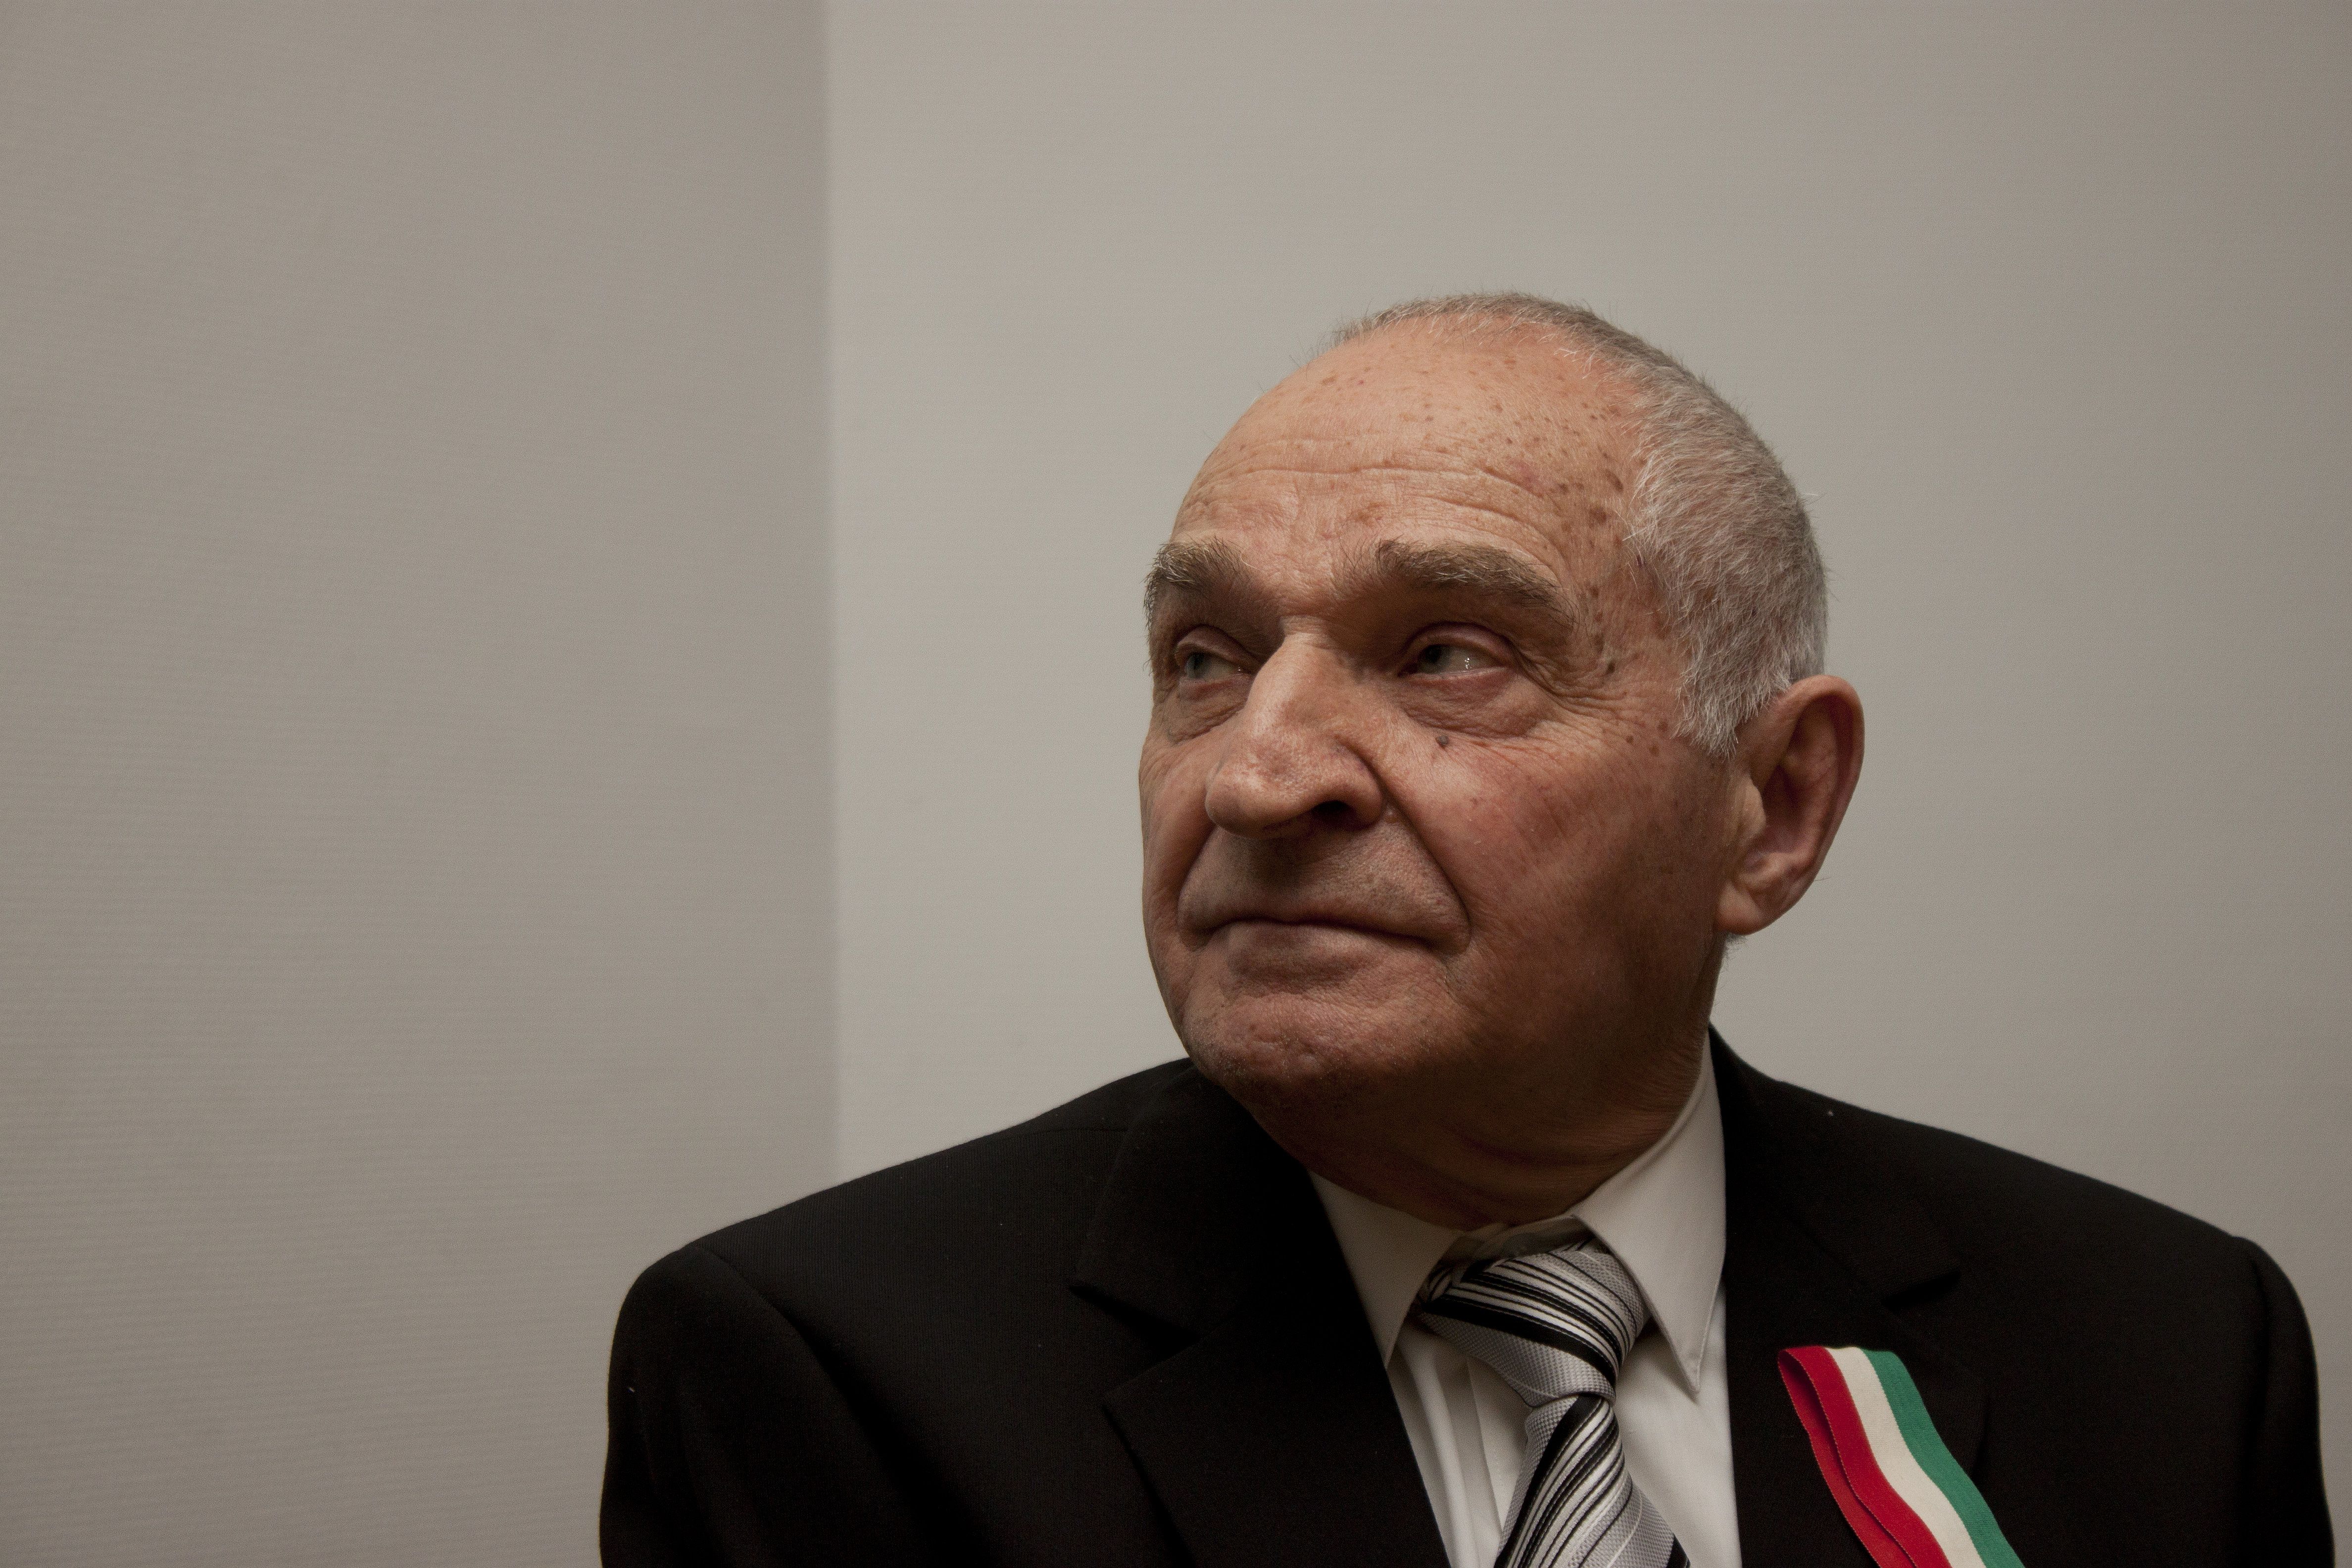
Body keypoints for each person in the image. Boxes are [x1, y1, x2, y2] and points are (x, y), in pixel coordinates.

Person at [599, 294, 2330, 1568]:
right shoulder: (832, 1377)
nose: (1258, 772)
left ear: (1775, 803)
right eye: (1205, 658)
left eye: (1447, 655)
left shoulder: (2165, 1352)